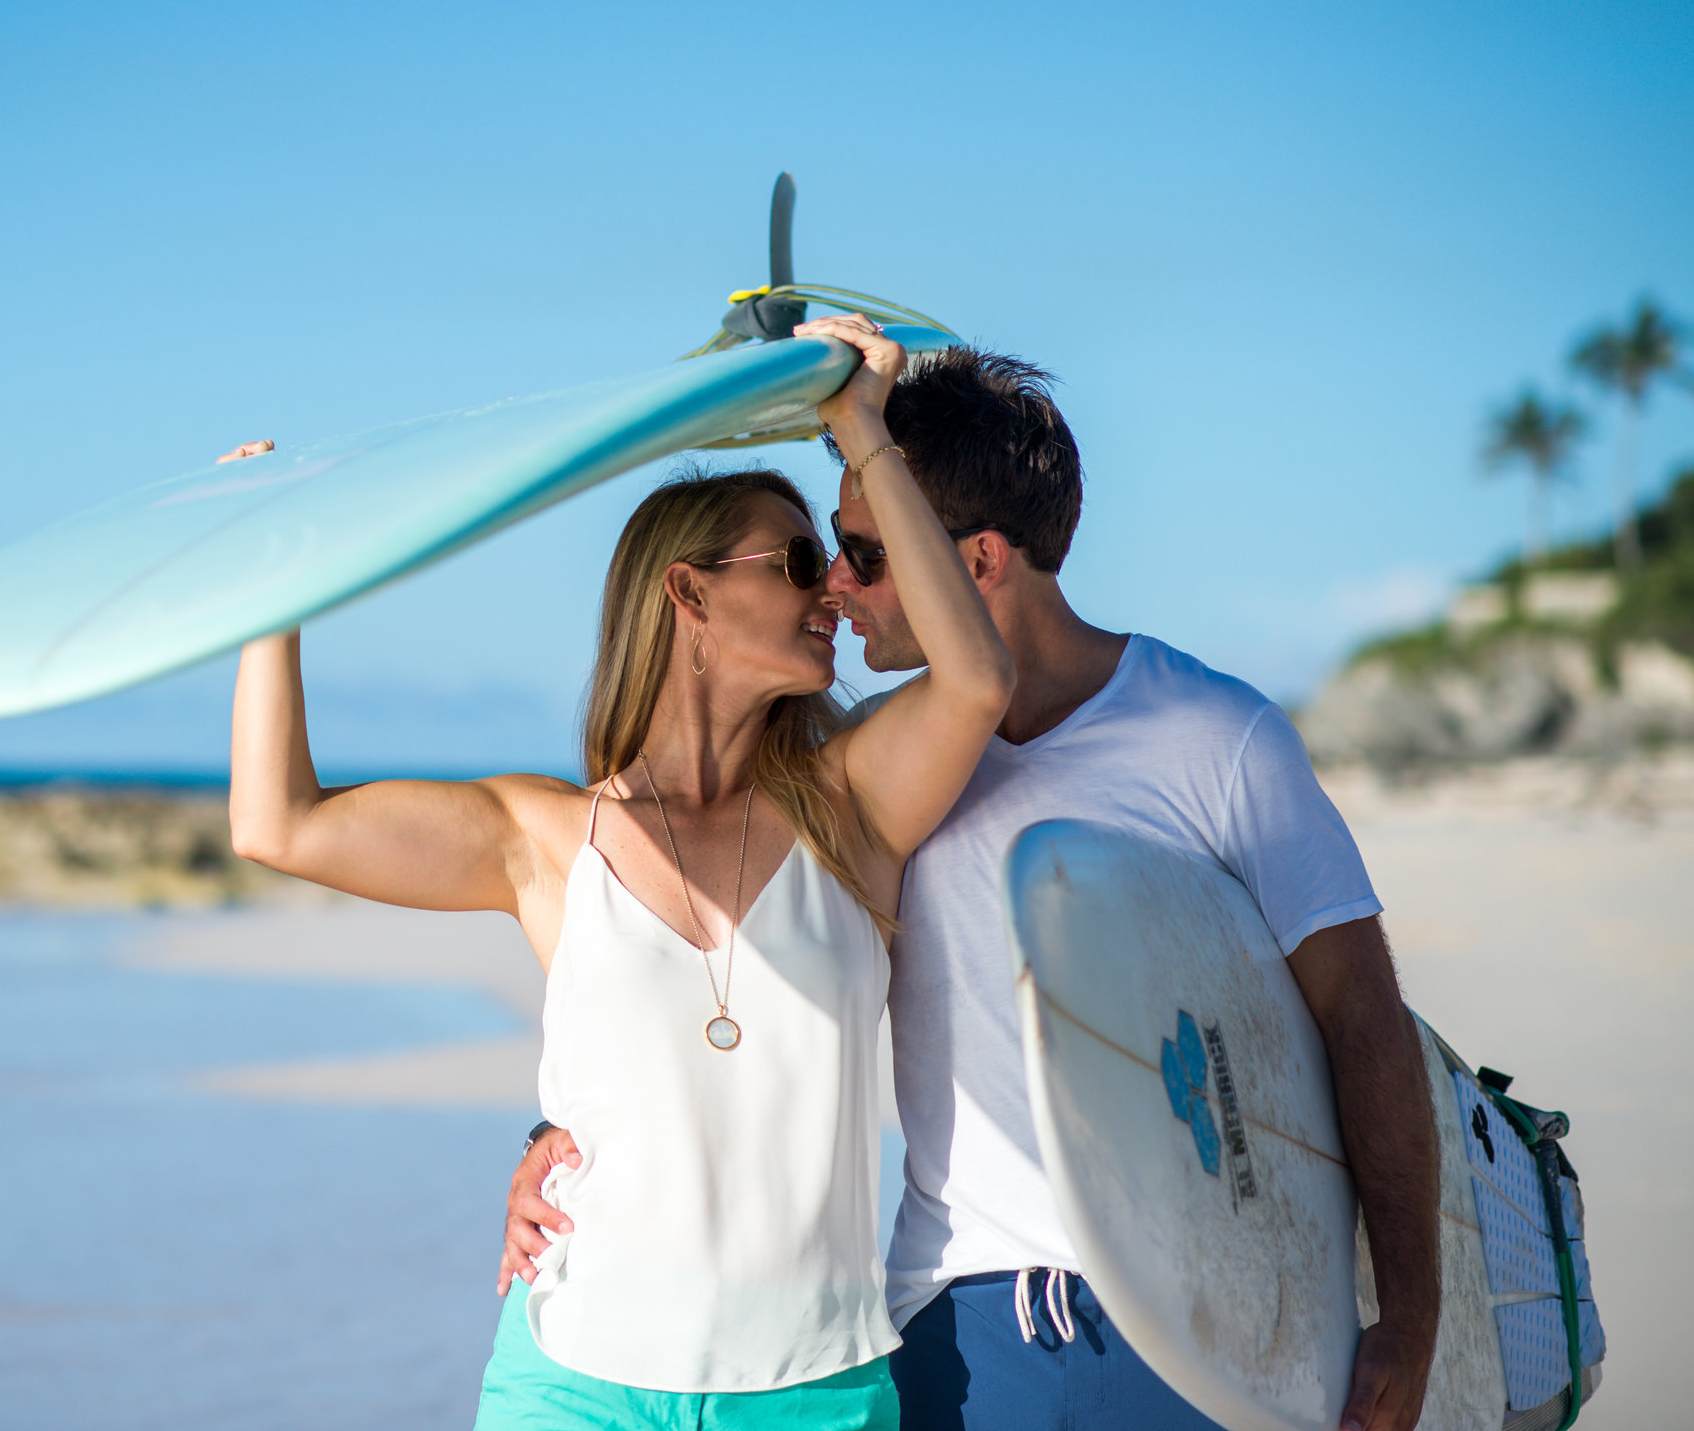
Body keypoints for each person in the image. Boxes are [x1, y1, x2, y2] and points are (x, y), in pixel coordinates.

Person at [501, 347, 1443, 1431]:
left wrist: (1408, 1318)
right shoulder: (856, 783)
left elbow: (1361, 1016)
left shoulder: (1213, 737)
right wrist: (556, 1139)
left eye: (860, 551)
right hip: (954, 1318)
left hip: (1201, 1312)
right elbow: (706, 988)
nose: (836, 586)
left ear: (979, 558)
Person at [225, 316, 1014, 1430]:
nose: (831, 590)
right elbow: (278, 823)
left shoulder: (852, 809)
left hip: (812, 1391)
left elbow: (976, 676)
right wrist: (275, 572)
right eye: (796, 561)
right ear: (688, 595)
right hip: (573, 1375)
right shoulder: (541, 835)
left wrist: (861, 427)